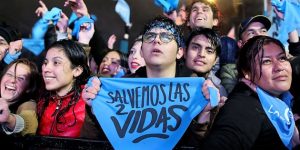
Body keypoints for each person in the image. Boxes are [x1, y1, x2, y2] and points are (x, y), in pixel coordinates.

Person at [82, 16, 222, 148]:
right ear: (142, 51)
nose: (157, 40)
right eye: (149, 36)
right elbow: (93, 140)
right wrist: (95, 110)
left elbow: (202, 144)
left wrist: (204, 115)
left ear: (180, 52)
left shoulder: (200, 91)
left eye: (166, 36)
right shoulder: (119, 91)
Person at [200, 35, 300, 149]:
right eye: (266, 61)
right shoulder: (243, 106)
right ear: (247, 72)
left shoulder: (274, 101)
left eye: (282, 58)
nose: (279, 67)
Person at [37, 40, 105, 139]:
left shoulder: (91, 99)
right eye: (45, 62)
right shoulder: (41, 98)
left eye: (56, 62)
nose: (46, 68)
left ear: (77, 71)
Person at [0, 58, 40, 137]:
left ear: (29, 88)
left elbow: (28, 125)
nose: (12, 80)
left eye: (20, 78)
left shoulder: (28, 104)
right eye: (9, 74)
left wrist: (9, 119)